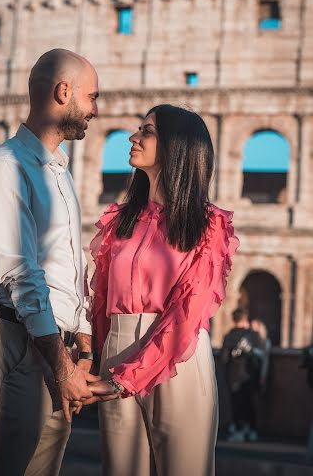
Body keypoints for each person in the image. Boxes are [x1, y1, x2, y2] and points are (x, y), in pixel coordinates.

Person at [0, 49, 105, 476]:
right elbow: (20, 273)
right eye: (92, 97)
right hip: (10, 341)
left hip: (50, 345)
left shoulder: (58, 172)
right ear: (64, 92)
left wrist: (81, 351)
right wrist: (63, 368)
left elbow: (69, 269)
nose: (96, 111)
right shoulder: (6, 166)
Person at [88, 105, 239, 476]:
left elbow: (188, 311)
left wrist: (128, 377)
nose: (133, 137)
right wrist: (92, 364)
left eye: (148, 131)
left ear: (178, 146)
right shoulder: (120, 221)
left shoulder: (208, 226)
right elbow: (101, 302)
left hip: (178, 359)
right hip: (117, 351)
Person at [221, 308, 262, 442]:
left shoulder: (229, 336)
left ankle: (239, 429)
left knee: (236, 403)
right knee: (250, 402)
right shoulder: (254, 335)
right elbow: (260, 355)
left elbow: (224, 359)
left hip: (233, 375)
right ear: (245, 318)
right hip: (250, 375)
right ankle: (252, 430)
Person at [251, 319, 272, 394]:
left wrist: (263, 376)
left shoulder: (266, 342)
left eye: (254, 327)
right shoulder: (250, 339)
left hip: (261, 372)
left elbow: (265, 360)